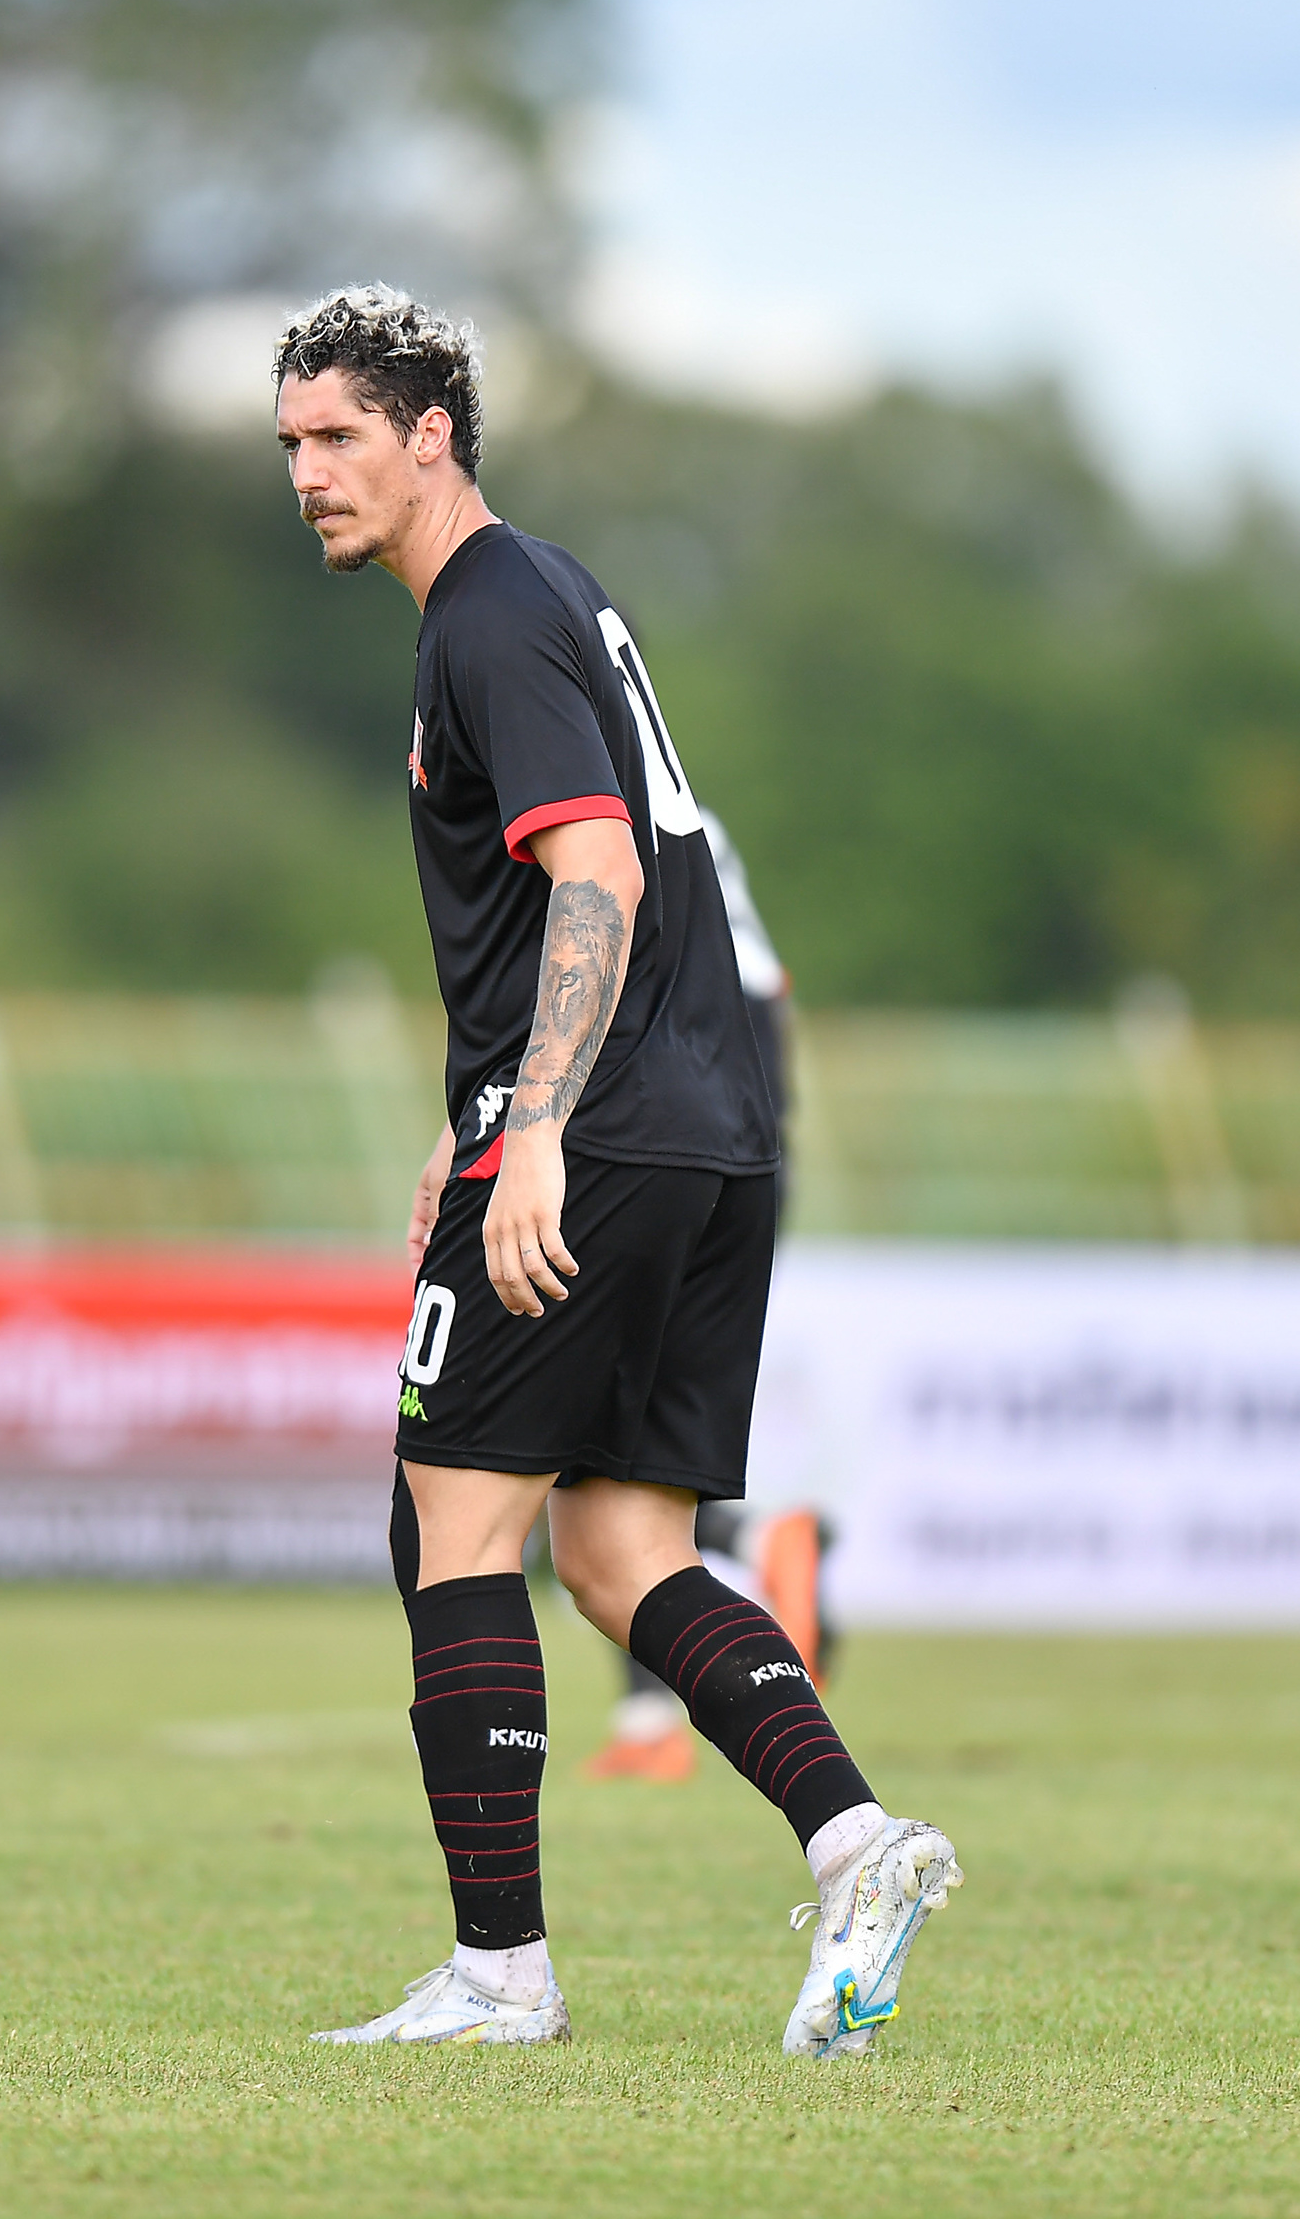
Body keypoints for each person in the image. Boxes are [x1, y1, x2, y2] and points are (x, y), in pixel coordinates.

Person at [275, 283, 961, 2057]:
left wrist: (532, 1132)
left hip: (599, 1132)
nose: (309, 472)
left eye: (340, 435)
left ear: (434, 434)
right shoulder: (548, 592)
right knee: (622, 1551)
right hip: (712, 1131)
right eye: (291, 443)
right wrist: (472, 1114)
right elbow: (565, 910)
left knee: (451, 1522)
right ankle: (857, 1843)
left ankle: (500, 1975)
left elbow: (598, 874)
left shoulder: (488, 616)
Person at [589, 814, 827, 1785]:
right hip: (752, 1159)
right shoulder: (693, 820)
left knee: (575, 1444)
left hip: (662, 1145)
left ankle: (743, 1547)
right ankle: (656, 1702)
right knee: (636, 1447)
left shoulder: (593, 797)